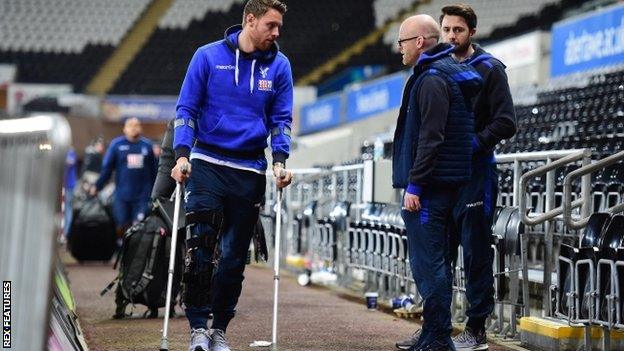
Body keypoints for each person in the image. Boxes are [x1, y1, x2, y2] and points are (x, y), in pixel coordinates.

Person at [170, 0, 293, 350]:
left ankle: (219, 329)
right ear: (250, 20)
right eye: (271, 24)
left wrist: (280, 160)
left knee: (235, 258)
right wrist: (181, 155)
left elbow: (281, 120)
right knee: (201, 247)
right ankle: (197, 328)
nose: (276, 32)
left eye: (279, 26)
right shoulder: (206, 56)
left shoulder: (280, 66)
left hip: (249, 169)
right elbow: (186, 109)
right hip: (206, 163)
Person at [391, 14, 482, 351]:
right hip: (441, 185)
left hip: (429, 190)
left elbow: (431, 138)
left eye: (402, 41)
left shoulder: (432, 78)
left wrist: (415, 186)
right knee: (435, 263)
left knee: (430, 266)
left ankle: (439, 337)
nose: (398, 49)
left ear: (418, 42)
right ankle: (432, 333)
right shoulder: (443, 73)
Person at [441, 4, 516, 350]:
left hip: (477, 174)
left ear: (472, 32)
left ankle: (477, 330)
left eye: (458, 30)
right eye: (447, 30)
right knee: (440, 252)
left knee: (474, 253)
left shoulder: (490, 69)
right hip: (444, 176)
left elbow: (506, 122)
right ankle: (437, 327)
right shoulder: (437, 68)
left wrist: (473, 143)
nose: (451, 36)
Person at [91, 117, 156, 242]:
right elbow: (107, 169)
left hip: (143, 196)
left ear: (141, 128)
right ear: (124, 129)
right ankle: (121, 251)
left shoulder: (147, 146)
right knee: (121, 225)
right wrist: (97, 186)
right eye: (130, 125)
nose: (133, 128)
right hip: (122, 196)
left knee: (139, 226)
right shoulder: (116, 145)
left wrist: (157, 193)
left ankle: (137, 255)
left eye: (136, 125)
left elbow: (154, 171)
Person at [62, 148, 78, 239]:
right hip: (66, 184)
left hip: (70, 185)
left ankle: (68, 232)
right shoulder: (68, 152)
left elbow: (70, 161)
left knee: (68, 209)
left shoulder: (70, 152)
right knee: (66, 209)